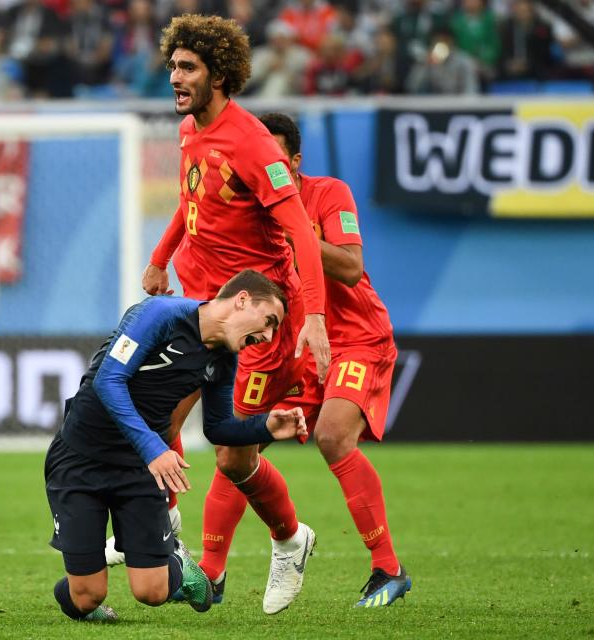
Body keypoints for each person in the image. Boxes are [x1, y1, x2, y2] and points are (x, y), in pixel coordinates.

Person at [130, 14, 331, 616]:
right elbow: (192, 201)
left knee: (232, 455)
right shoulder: (191, 128)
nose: (175, 77)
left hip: (258, 319)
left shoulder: (251, 143)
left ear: (219, 74)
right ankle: (163, 530)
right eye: (172, 66)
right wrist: (161, 257)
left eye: (187, 68)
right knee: (158, 414)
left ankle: (290, 537)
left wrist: (315, 318)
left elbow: (297, 227)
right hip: (203, 310)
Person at [46, 269, 310, 621]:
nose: (267, 336)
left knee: (152, 592)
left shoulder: (223, 358)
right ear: (242, 299)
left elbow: (217, 428)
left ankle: (178, 564)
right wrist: (154, 449)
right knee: (87, 596)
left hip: (139, 468)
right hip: (80, 459)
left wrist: (265, 426)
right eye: (268, 321)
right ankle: (84, 596)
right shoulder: (160, 314)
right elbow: (109, 380)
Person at [260, 112, 410, 607]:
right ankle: (214, 572)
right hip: (299, 340)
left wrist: (296, 234)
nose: (269, 168)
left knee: (331, 435)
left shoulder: (329, 194)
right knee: (235, 442)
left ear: (296, 160)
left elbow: (350, 267)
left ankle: (388, 568)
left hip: (356, 337)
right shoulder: (251, 205)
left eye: (278, 157)